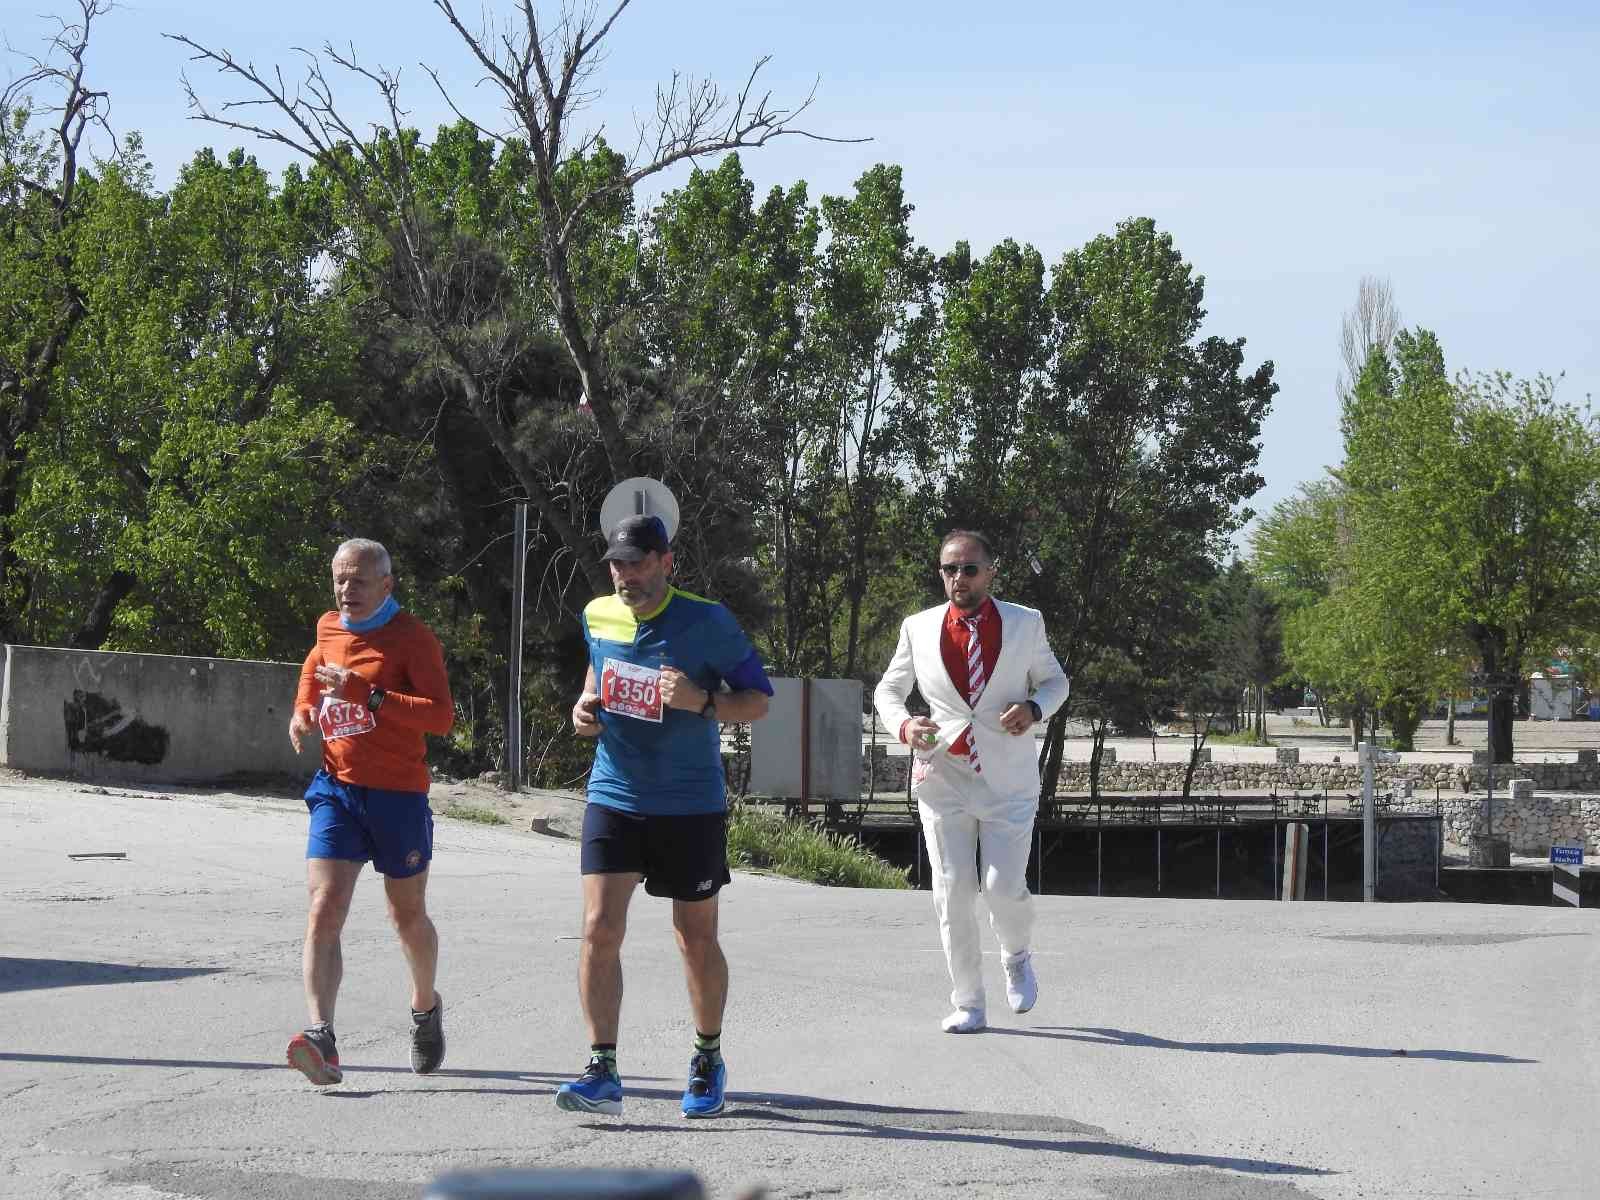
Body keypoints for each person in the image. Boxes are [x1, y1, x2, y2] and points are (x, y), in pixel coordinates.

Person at [557, 514, 773, 1119]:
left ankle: (707, 1056)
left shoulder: (707, 620)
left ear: (665, 561)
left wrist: (700, 700)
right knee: (599, 928)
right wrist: (584, 705)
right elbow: (595, 672)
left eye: (636, 562)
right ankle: (602, 1068)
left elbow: (757, 701)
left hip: (689, 803)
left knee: (694, 938)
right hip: (614, 792)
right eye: (616, 564)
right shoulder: (597, 613)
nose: (624, 574)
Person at [874, 529, 1068, 1034]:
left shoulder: (1026, 623)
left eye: (968, 569)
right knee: (953, 889)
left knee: (1002, 887)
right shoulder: (918, 627)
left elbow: (1056, 681)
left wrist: (1034, 707)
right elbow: (888, 690)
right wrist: (905, 725)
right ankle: (968, 1002)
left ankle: (1017, 953)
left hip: (1007, 779)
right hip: (943, 776)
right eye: (948, 569)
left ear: (991, 571)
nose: (958, 578)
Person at [283, 538, 454, 1085]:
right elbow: (316, 664)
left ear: (386, 583)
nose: (346, 590)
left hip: (398, 795)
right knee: (323, 906)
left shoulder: (413, 639)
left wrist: (371, 696)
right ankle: (320, 1034)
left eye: (358, 580)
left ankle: (425, 1008)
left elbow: (442, 717)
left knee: (406, 918)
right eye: (339, 579)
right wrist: (303, 710)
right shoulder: (329, 625)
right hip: (337, 789)